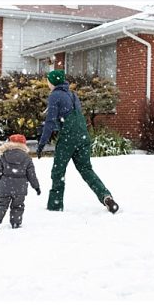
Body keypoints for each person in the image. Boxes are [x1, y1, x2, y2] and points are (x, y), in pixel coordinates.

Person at [37, 69, 119, 214]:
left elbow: (50, 121)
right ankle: (106, 196)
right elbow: (71, 115)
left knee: (58, 172)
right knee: (86, 170)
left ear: (53, 82)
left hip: (68, 138)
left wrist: (42, 143)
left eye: (48, 80)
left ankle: (55, 206)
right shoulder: (73, 95)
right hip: (82, 136)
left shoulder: (55, 95)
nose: (47, 83)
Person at [0, 134, 41, 231]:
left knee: (1, 204)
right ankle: (16, 223)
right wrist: (36, 187)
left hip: (5, 186)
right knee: (18, 206)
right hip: (20, 188)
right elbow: (31, 175)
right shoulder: (27, 158)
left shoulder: (4, 156)